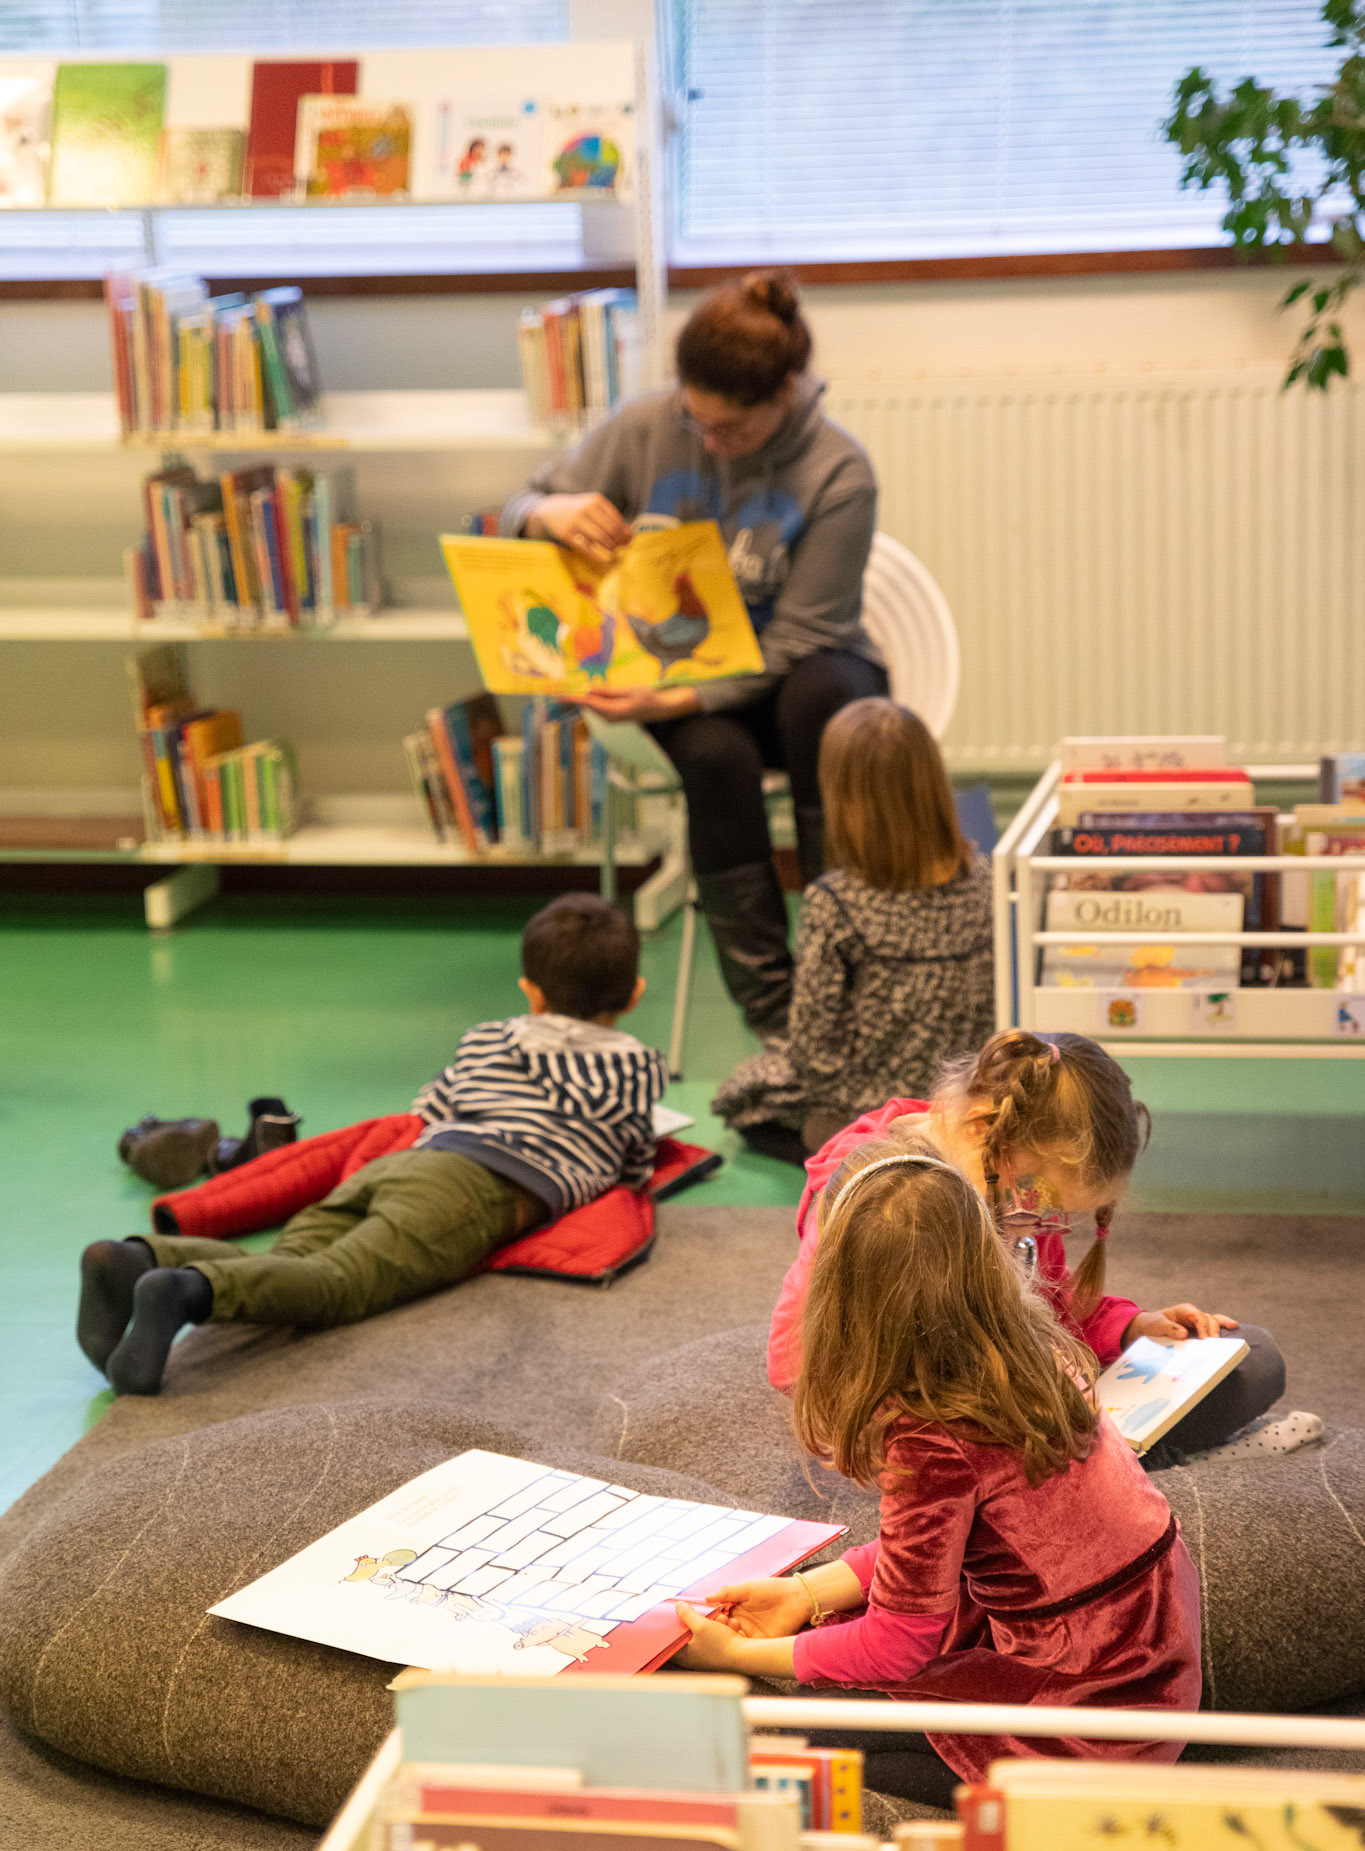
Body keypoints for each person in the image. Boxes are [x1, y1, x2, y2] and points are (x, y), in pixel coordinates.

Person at [674, 1139, 1204, 1806]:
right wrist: (804, 1595)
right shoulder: (1034, 1348)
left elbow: (896, 1643)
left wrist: (736, 1660)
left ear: (840, 1301)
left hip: (1086, 1715)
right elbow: (935, 1548)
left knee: (798, 1731)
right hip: (1149, 1652)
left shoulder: (929, 1439)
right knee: (837, 1644)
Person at [500, 269, 887, 1038]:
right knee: (712, 756)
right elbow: (510, 509)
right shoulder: (644, 426)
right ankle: (776, 1015)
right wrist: (548, 509)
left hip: (795, 678)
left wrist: (676, 700)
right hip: (676, 676)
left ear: (784, 393)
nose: (709, 442)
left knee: (822, 701)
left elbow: (802, 637)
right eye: (695, 420)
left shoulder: (840, 471)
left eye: (731, 431)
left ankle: (844, 969)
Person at [77, 895, 669, 1397]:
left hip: (411, 1163)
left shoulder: (486, 1039)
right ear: (636, 993)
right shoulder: (637, 1066)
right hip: (476, 1193)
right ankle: (187, 1291)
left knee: (291, 1260)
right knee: (340, 1284)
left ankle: (144, 1257)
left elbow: (428, 1109)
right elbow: (634, 1157)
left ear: (530, 992)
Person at [766, 1028, 1309, 1465]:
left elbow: (1049, 1303)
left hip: (1025, 1381)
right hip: (925, 1418)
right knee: (1053, 1434)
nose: (1042, 1219)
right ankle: (1134, 1461)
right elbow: (795, 1363)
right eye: (1039, 1194)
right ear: (983, 1128)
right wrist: (995, 1395)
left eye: (1060, 1213)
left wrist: (1131, 1327)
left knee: (1252, 1357)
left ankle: (1116, 1456)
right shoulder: (888, 1196)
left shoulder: (1009, 1189)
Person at [712, 698, 993, 1160]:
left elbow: (816, 1052)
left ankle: (859, 1149)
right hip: (962, 1098)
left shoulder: (836, 901)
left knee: (744, 1095)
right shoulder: (985, 879)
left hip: (871, 1105)